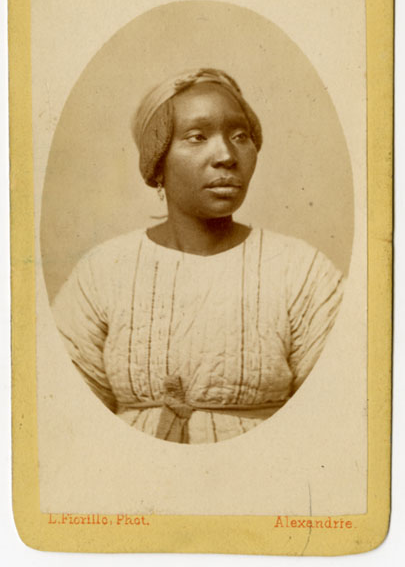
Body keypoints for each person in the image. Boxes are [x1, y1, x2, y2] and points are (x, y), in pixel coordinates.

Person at [52, 68, 344, 444]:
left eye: (240, 136)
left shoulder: (303, 272)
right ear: (158, 160)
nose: (226, 156)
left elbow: (335, 414)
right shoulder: (103, 272)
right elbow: (65, 417)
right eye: (197, 137)